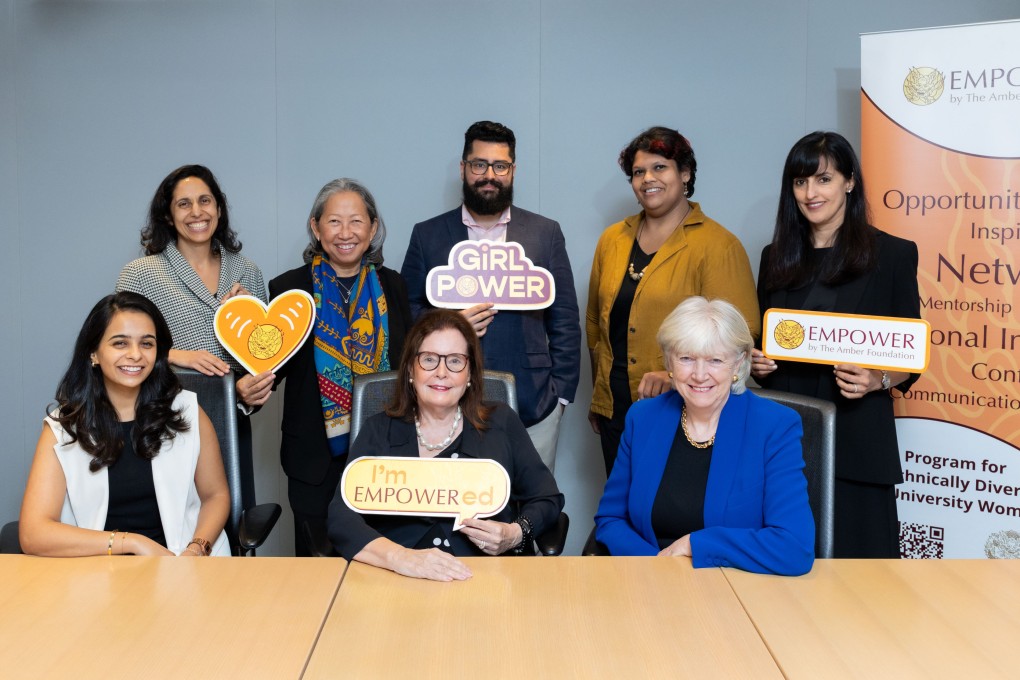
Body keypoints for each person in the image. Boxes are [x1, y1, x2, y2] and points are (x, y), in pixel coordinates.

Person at [752, 131, 920, 559]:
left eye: (823, 179)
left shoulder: (894, 255)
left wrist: (876, 379)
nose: (810, 193)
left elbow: (910, 357)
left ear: (849, 182)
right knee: (784, 573)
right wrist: (755, 363)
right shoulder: (775, 256)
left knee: (864, 584)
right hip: (784, 437)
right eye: (800, 181)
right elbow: (762, 343)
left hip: (859, 440)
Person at [329, 309, 564, 581]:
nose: (441, 372)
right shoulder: (379, 430)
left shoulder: (501, 423)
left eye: (454, 361)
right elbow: (341, 518)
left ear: (471, 375)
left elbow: (547, 498)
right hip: (396, 581)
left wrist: (515, 534)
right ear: (409, 370)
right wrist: (401, 558)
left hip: (486, 580)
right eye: (429, 359)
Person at [401, 121, 580, 473]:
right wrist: (450, 323)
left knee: (530, 505)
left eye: (500, 166)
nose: (489, 175)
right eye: (479, 165)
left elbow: (565, 320)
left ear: (512, 170)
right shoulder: (428, 235)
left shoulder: (546, 233)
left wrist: (560, 396)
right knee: (455, 508)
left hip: (533, 401)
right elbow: (407, 312)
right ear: (463, 168)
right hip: (446, 399)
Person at [594, 297, 813, 575]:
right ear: (668, 360)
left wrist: (696, 545)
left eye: (715, 360)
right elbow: (611, 518)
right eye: (686, 358)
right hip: (649, 580)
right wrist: (657, 566)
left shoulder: (774, 426)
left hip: (737, 589)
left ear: (738, 363)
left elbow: (795, 547)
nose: (699, 375)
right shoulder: (643, 418)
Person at [587, 126, 760, 475]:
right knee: (623, 508)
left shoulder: (718, 245)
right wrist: (600, 397)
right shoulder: (613, 240)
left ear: (685, 174)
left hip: (686, 409)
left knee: (670, 512)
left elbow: (741, 337)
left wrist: (676, 374)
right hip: (615, 409)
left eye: (660, 167)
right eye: (638, 172)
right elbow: (595, 324)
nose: (647, 178)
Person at [19, 292, 230, 557]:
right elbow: (33, 533)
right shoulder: (63, 429)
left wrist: (197, 549)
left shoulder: (186, 410)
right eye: (120, 343)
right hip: (98, 573)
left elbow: (216, 496)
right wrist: (131, 543)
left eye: (147, 344)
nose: (135, 355)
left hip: (184, 567)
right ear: (93, 353)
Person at [116, 164, 272, 509]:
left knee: (234, 524)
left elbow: (264, 356)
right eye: (183, 204)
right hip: (165, 426)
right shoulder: (141, 274)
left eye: (205, 200)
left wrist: (246, 390)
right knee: (175, 532)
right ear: (168, 216)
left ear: (218, 208)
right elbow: (119, 351)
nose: (197, 212)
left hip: (231, 423)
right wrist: (172, 354)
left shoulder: (248, 271)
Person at [270, 178, 412, 556]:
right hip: (313, 462)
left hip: (387, 457)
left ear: (373, 228)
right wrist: (247, 389)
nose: (345, 233)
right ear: (316, 228)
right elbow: (267, 372)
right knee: (315, 578)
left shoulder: (394, 287)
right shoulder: (289, 290)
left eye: (356, 222)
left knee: (384, 571)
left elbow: (411, 365)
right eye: (334, 222)